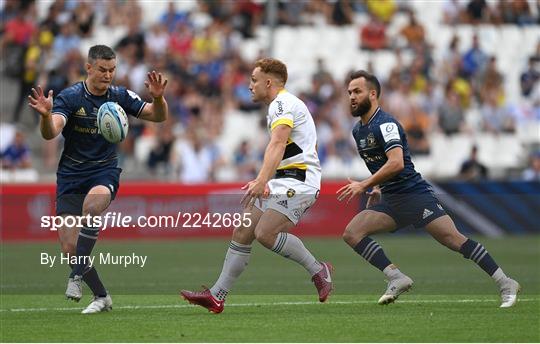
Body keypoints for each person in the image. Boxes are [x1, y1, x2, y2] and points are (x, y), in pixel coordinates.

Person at [337, 70, 519, 308]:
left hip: (414, 196)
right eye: (349, 92)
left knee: (455, 240)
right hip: (392, 200)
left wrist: (364, 184)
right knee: (352, 233)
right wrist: (378, 187)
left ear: (372, 94)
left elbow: (396, 162)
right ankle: (396, 277)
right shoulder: (358, 131)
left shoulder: (386, 124)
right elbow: (383, 165)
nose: (351, 96)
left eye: (357, 91)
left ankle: (506, 282)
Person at [180, 58, 333, 313]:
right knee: (243, 231)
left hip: (300, 181)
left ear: (268, 82)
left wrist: (262, 179)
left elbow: (278, 144)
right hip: (284, 180)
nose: (249, 85)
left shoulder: (282, 103)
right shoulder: (281, 105)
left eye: (253, 80)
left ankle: (319, 270)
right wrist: (267, 180)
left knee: (265, 233)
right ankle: (217, 296)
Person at [28, 44, 168, 314]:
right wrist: (46, 115)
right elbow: (50, 133)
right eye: (102, 69)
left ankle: (76, 276)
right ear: (89, 67)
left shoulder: (119, 95)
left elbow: (157, 116)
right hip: (70, 175)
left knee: (92, 206)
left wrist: (159, 99)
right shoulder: (70, 97)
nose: (108, 75)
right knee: (69, 246)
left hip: (103, 171)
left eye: (112, 70)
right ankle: (102, 296)